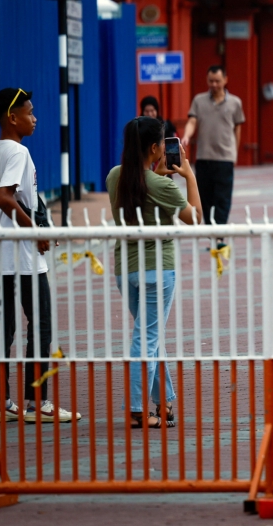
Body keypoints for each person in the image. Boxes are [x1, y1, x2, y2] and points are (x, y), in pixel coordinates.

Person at [0, 88, 80, 424]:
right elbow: (4, 198)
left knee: (4, 326)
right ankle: (37, 402)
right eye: (30, 112)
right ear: (12, 117)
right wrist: (35, 231)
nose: (35, 118)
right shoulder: (18, 153)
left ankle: (0, 402)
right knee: (41, 324)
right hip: (22, 256)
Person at [107, 117, 202, 429]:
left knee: (148, 334)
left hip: (126, 269)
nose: (165, 147)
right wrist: (188, 175)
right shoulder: (162, 186)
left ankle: (164, 401)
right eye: (163, 142)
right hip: (158, 270)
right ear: (153, 148)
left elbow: (140, 194)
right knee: (147, 338)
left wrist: (157, 175)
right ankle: (137, 409)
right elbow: (196, 218)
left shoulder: (114, 176)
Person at [182, 65, 244, 229]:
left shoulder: (235, 103)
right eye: (211, 81)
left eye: (217, 81)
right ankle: (212, 231)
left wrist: (235, 153)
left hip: (225, 158)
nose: (214, 84)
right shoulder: (199, 100)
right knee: (205, 198)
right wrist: (187, 136)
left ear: (225, 80)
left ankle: (219, 234)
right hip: (204, 157)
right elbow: (192, 121)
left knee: (222, 198)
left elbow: (237, 129)